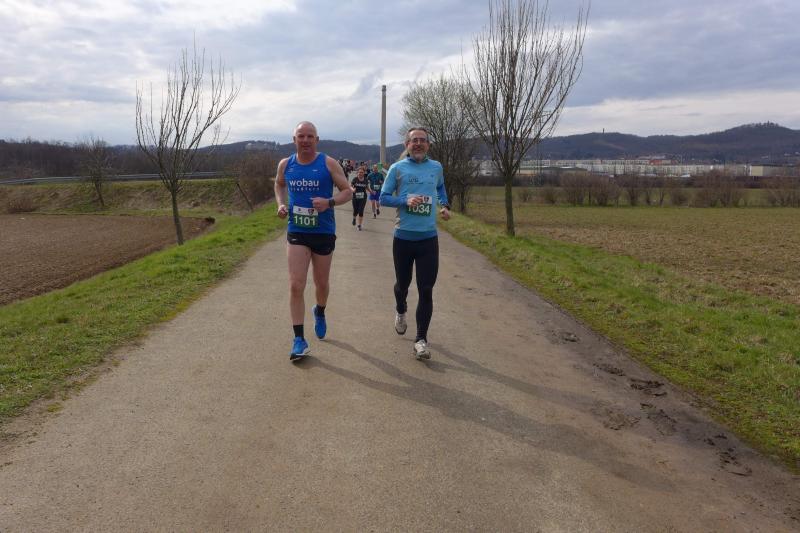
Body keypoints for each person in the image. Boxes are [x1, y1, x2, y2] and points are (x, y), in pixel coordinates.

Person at [274, 121, 353, 360]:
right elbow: (279, 184)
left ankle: (320, 310)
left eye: (310, 136)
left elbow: (347, 191)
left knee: (321, 284)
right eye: (301, 136)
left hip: (323, 232)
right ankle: (299, 339)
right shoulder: (286, 164)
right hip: (297, 230)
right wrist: (281, 204)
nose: (305, 140)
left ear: (316, 140)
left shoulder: (328, 163)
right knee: (296, 284)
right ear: (294, 139)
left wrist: (329, 202)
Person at [379, 127, 450, 360]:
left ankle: (421, 340)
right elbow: (383, 198)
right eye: (414, 140)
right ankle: (401, 309)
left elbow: (440, 187)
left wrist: (444, 205)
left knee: (426, 289)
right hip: (403, 238)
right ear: (407, 145)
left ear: (428, 144)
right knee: (403, 285)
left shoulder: (436, 167)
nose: (418, 144)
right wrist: (405, 200)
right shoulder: (397, 168)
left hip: (428, 239)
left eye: (422, 140)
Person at [350, 166, 370, 230]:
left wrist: (371, 192)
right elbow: (350, 186)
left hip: (363, 198)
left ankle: (359, 225)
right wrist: (353, 190)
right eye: (359, 172)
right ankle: (354, 218)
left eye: (362, 172)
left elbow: (367, 187)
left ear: (364, 173)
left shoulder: (366, 180)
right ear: (357, 173)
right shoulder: (355, 179)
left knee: (361, 211)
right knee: (355, 211)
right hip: (355, 197)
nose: (360, 173)